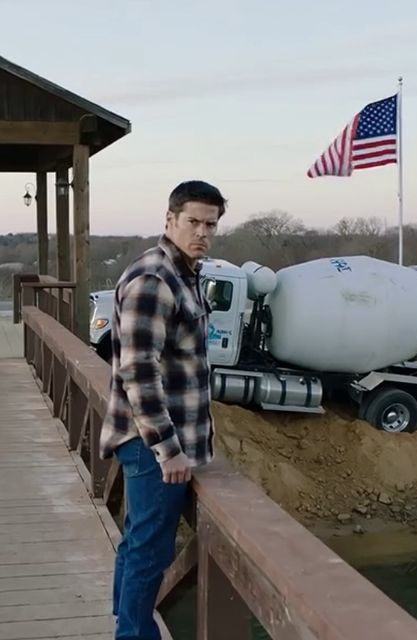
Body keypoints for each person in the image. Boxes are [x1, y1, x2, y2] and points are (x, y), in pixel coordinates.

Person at [99, 180, 227, 640]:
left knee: (140, 541)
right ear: (170, 219)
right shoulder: (155, 279)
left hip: (156, 441)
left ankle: (124, 619)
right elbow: (139, 372)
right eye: (193, 222)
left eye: (211, 224)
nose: (202, 232)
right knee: (151, 550)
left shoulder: (184, 272)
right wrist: (168, 449)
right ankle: (132, 633)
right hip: (152, 444)